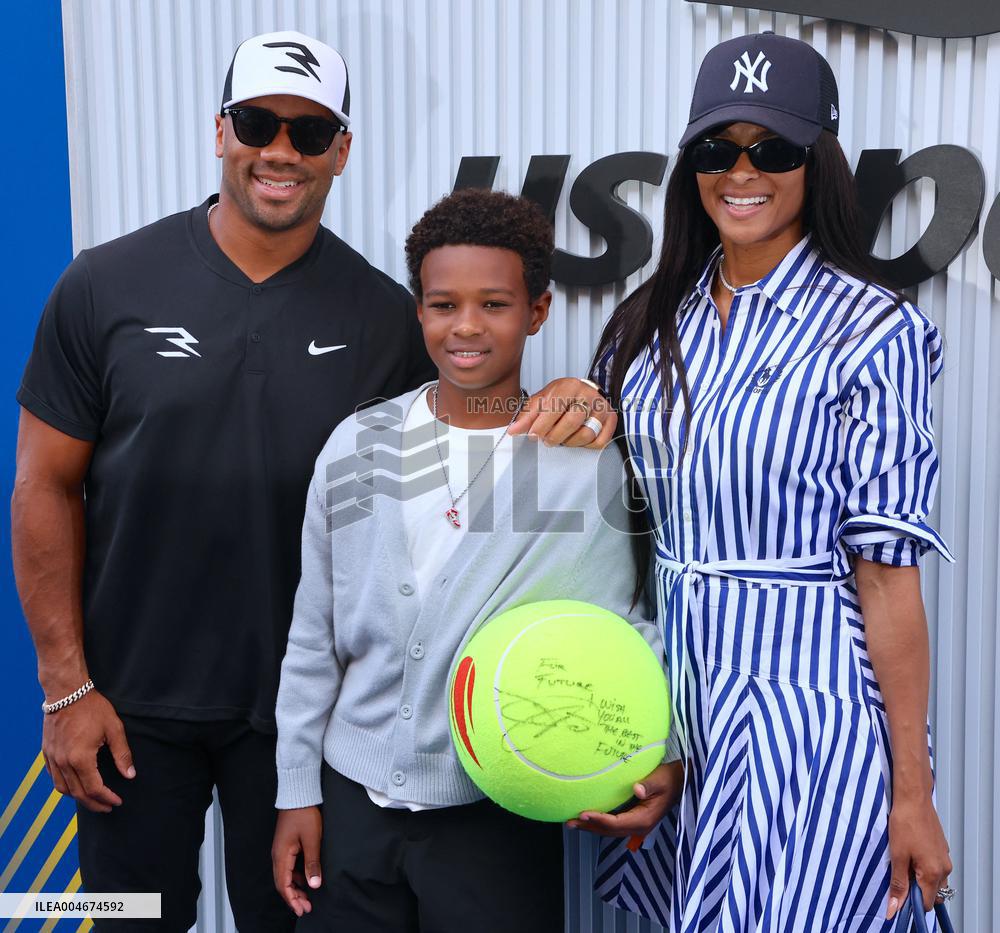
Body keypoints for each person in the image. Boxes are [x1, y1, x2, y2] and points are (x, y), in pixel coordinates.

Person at [11, 31, 609, 931]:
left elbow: (472, 406)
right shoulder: (103, 285)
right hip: (125, 707)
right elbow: (41, 488)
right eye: (258, 122)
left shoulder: (381, 313)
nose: (281, 150)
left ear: (342, 149)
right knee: (124, 916)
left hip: (297, 735)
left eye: (310, 129)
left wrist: (578, 397)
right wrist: (66, 687)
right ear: (221, 133)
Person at [580, 32, 956, 933]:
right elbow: (616, 521)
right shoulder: (652, 320)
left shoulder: (873, 330)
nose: (741, 172)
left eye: (772, 149)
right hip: (680, 709)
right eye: (717, 149)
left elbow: (888, 574)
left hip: (808, 714)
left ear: (816, 161)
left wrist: (914, 791)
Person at [269, 188, 675, 932]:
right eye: (442, 303)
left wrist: (658, 752)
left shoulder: (581, 464)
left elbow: (620, 633)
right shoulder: (357, 447)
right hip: (351, 806)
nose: (466, 327)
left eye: (494, 304)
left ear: (539, 311)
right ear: (418, 311)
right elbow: (312, 636)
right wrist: (296, 787)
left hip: (496, 815)